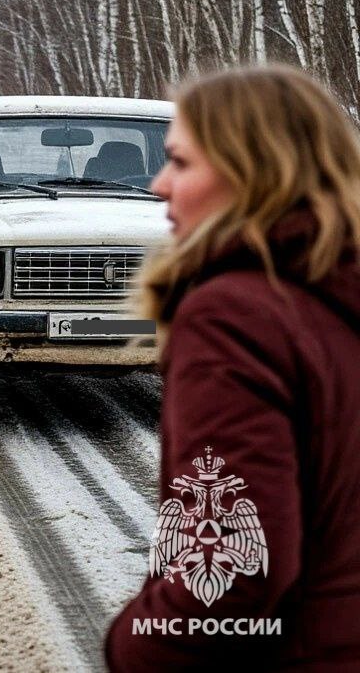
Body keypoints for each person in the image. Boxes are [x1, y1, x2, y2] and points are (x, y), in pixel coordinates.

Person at [106, 64, 360, 670]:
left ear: (256, 171)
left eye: (183, 162)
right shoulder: (336, 294)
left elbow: (233, 570)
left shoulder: (234, 314)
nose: (158, 186)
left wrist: (133, 651)